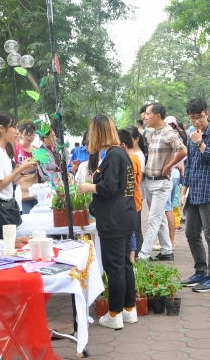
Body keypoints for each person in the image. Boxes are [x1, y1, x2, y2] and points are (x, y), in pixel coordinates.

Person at [0, 112, 36, 328]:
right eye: (14, 127)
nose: (17, 131)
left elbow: (7, 184)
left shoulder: (1, 152)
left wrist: (22, 172)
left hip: (0, 208)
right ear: (1, 128)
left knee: (1, 259)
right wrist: (19, 169)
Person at [78, 115, 138, 329]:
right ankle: (129, 309)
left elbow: (110, 187)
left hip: (114, 219)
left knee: (114, 268)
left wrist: (89, 187)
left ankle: (114, 314)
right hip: (126, 216)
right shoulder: (121, 153)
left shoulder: (113, 155)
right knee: (124, 265)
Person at [179, 97, 210, 292]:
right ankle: (201, 271)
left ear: (207, 113)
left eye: (199, 117)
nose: (196, 121)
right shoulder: (192, 135)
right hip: (194, 191)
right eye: (192, 118)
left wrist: (200, 143)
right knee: (191, 233)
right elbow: (189, 165)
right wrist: (183, 191)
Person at [139, 103, 187, 261]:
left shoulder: (167, 131)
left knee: (153, 219)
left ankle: (143, 255)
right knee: (158, 218)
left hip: (161, 183)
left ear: (157, 115)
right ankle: (167, 251)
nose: (145, 116)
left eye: (148, 114)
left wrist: (169, 166)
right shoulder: (152, 133)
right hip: (150, 182)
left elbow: (183, 150)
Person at [118, 129, 143, 261]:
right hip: (134, 199)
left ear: (122, 144)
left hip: (132, 200)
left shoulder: (131, 159)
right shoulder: (134, 157)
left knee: (132, 231)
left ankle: (133, 257)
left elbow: (129, 182)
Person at [164, 116, 184, 248]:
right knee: (169, 207)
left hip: (170, 174)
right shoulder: (177, 137)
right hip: (175, 174)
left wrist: (168, 166)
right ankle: (171, 240)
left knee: (167, 208)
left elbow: (183, 153)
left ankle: (170, 240)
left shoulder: (170, 138)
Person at [15, 121, 40, 213]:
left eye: (31, 135)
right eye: (26, 134)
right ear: (21, 134)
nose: (29, 138)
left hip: (36, 189)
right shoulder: (16, 149)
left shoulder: (37, 150)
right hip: (22, 190)